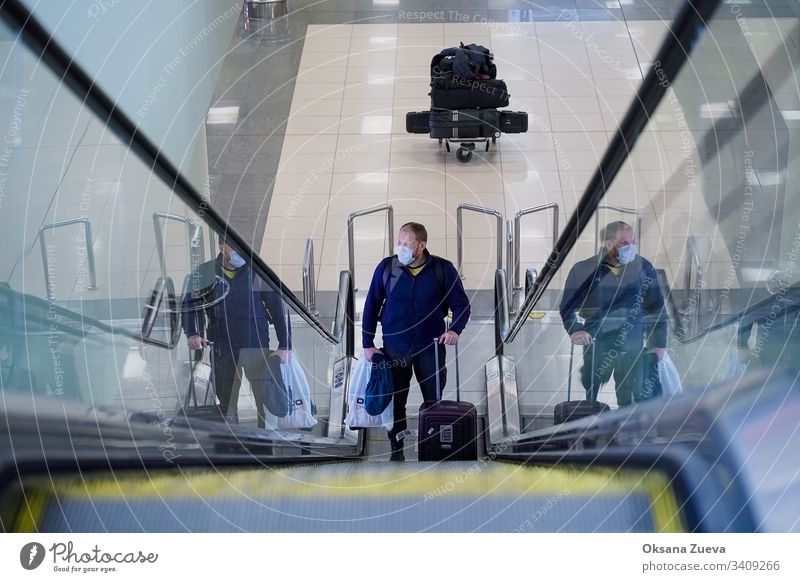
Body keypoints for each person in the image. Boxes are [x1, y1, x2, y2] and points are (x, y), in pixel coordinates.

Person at [362, 222, 471, 461]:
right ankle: (396, 450)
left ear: (421, 245)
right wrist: (367, 342)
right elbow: (371, 304)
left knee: (433, 401)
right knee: (396, 401)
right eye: (398, 242)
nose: (400, 247)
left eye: (406, 243)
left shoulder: (443, 269)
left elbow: (461, 304)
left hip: (430, 348)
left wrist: (455, 330)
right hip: (395, 348)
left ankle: (430, 448)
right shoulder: (387, 268)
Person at [182, 239, 291, 427]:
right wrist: (192, 333)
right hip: (223, 346)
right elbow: (189, 305)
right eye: (235, 247)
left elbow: (276, 307)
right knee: (226, 401)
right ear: (222, 246)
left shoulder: (257, 271)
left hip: (255, 344)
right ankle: (232, 445)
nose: (240, 253)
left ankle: (265, 446)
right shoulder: (204, 273)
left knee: (264, 398)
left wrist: (285, 344)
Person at [559, 221, 667, 406]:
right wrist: (575, 330)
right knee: (592, 386)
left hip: (632, 341)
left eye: (633, 242)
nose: (631, 247)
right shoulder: (584, 270)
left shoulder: (643, 268)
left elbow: (657, 308)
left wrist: (659, 343)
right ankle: (593, 426)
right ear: (608, 243)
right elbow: (567, 307)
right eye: (624, 243)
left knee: (628, 392)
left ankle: (626, 429)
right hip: (597, 342)